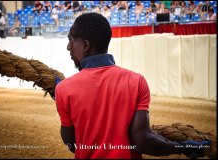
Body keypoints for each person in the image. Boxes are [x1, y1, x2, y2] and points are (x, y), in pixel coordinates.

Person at [53, 13, 211, 159]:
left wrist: (62, 102)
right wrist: (183, 147)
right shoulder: (136, 81)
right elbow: (142, 140)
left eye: (71, 40)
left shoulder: (63, 89)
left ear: (86, 45)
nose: (68, 47)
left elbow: (72, 144)